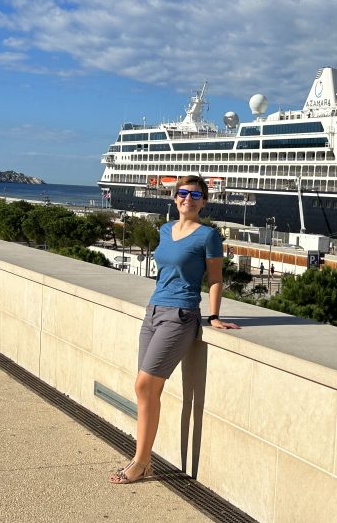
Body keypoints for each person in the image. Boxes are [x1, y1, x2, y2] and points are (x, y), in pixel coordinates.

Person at [110, 175, 240, 484]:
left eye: (195, 195)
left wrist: (214, 316)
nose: (188, 199)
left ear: (204, 202)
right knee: (147, 390)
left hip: (180, 316)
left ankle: (141, 462)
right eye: (182, 193)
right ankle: (143, 459)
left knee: (143, 386)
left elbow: (215, 279)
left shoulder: (207, 235)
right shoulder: (165, 230)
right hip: (153, 312)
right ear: (174, 197)